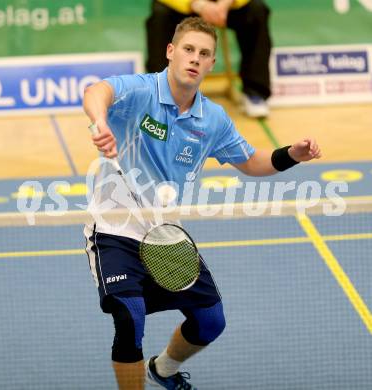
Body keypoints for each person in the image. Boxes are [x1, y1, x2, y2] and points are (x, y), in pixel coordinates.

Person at [83, 17, 321, 390]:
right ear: (171, 52)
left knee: (211, 321)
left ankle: (162, 368)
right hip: (114, 229)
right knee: (130, 318)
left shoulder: (212, 119)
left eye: (205, 53)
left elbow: (251, 162)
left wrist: (291, 153)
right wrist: (101, 122)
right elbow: (97, 91)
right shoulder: (142, 92)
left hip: (164, 235)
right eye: (189, 50)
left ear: (212, 64)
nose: (195, 58)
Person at [146, 0, 272, 118]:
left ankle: (255, 92)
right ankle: (161, 92)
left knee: (256, 10)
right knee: (161, 14)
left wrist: (226, 3)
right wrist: (197, 4)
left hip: (227, 6)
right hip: (184, 5)